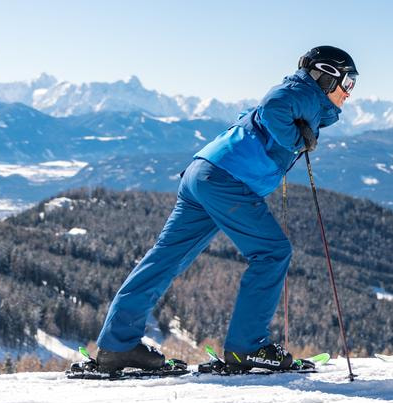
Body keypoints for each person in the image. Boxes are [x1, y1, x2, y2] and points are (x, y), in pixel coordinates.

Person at [93, 46, 358, 373]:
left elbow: (253, 117)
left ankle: (116, 346)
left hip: (203, 173)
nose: (349, 92)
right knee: (272, 252)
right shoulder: (303, 90)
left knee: (165, 258)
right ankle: (247, 347)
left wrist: (292, 139)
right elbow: (273, 105)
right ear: (327, 75)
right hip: (225, 180)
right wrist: (294, 139)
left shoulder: (304, 96)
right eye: (348, 81)